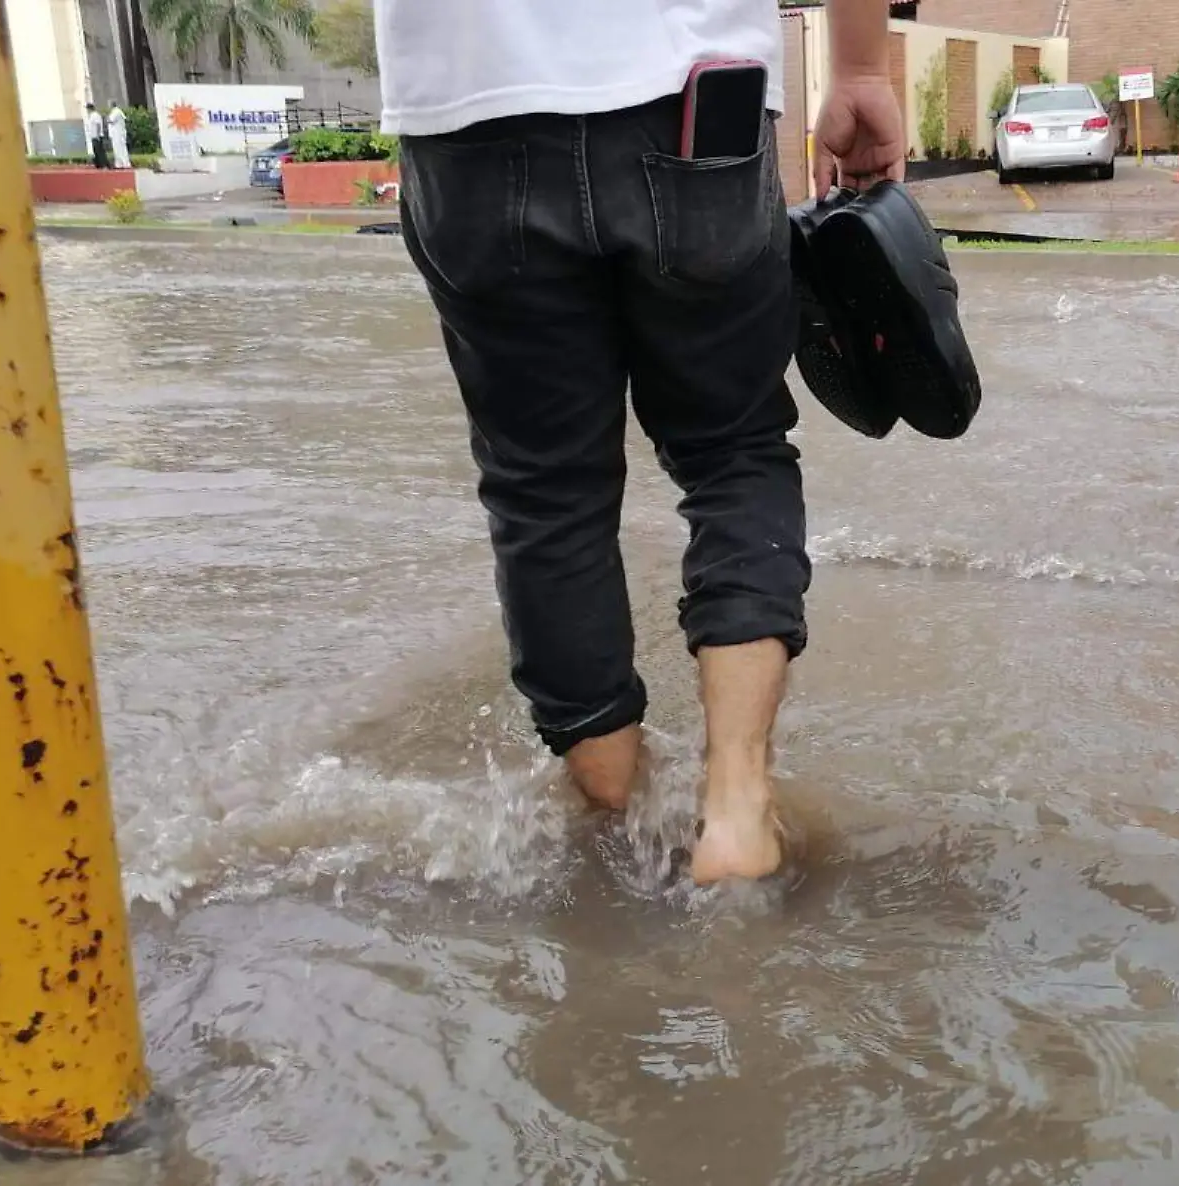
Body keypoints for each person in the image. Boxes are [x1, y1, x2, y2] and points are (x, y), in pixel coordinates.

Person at [373, 0, 905, 883]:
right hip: (696, 102)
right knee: (732, 449)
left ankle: (623, 819)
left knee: (545, 488)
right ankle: (737, 800)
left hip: (471, 115)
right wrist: (858, 69)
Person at [107, 101, 130, 170]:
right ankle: (119, 164)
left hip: (118, 134)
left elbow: (110, 120)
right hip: (115, 134)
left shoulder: (116, 112)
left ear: (111, 105)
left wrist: (107, 118)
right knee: (117, 149)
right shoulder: (115, 111)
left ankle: (125, 164)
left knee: (121, 149)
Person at [84, 102, 108, 169]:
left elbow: (98, 125)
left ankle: (104, 165)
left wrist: (97, 134)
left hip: (97, 136)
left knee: (99, 151)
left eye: (87, 109)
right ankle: (98, 165)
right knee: (95, 151)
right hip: (93, 136)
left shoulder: (96, 115)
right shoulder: (91, 116)